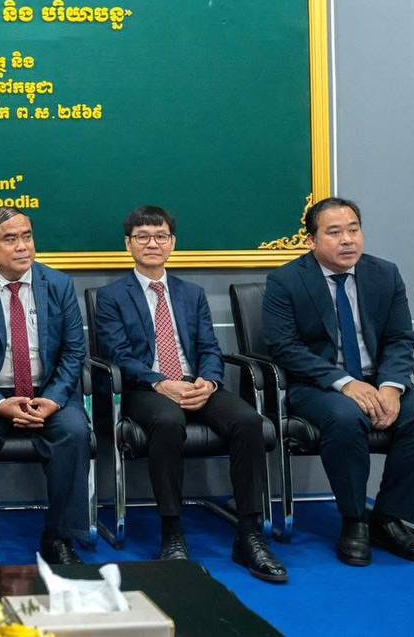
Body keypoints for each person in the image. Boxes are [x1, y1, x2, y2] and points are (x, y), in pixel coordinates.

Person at [93, 206, 286, 582]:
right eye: (143, 237)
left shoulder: (191, 293)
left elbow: (209, 348)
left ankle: (249, 534)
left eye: (160, 236)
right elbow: (118, 355)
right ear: (128, 244)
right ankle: (172, 532)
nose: (152, 244)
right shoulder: (112, 296)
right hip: (145, 387)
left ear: (173, 243)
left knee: (248, 421)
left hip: (196, 383)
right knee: (168, 422)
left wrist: (209, 382)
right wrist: (160, 382)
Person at [263, 196, 414, 566]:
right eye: (334, 232)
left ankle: (388, 519)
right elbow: (284, 348)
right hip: (317, 384)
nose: (347, 240)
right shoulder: (286, 281)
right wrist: (344, 382)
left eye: (354, 230)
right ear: (312, 240)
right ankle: (354, 521)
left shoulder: (385, 274)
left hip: (379, 379)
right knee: (346, 419)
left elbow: (400, 338)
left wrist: (392, 387)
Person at [0, 207, 90, 564]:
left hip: (46, 393)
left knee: (74, 430)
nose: (22, 246)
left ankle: (60, 538)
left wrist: (54, 399)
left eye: (27, 236)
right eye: (10, 239)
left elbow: (74, 352)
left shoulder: (58, 284)